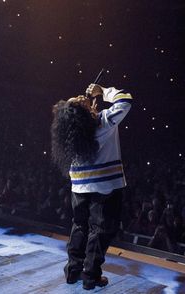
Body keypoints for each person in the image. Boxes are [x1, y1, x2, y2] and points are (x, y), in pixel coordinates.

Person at [51, 83, 132, 290]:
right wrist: (103, 91)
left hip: (79, 186)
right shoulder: (103, 122)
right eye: (79, 101)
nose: (80, 95)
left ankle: (73, 271)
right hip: (105, 186)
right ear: (83, 112)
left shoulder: (73, 133)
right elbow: (125, 101)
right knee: (100, 230)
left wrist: (91, 100)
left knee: (79, 226)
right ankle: (91, 276)